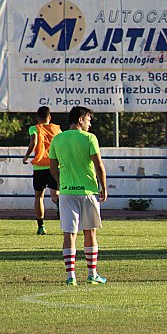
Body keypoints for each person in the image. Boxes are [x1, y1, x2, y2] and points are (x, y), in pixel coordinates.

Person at [49, 106, 107, 286]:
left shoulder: (57, 139)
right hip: (88, 191)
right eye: (89, 120)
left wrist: (61, 183)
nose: (90, 124)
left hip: (67, 192)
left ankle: (70, 277)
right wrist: (103, 187)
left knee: (69, 233)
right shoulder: (90, 138)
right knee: (90, 231)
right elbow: (98, 165)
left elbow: (53, 167)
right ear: (81, 120)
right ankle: (92, 274)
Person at [23, 106, 61, 235]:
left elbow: (33, 142)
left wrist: (26, 156)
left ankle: (41, 226)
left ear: (37, 118)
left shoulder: (34, 128)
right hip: (55, 165)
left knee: (39, 196)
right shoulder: (57, 129)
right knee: (55, 194)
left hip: (39, 166)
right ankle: (59, 204)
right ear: (49, 117)